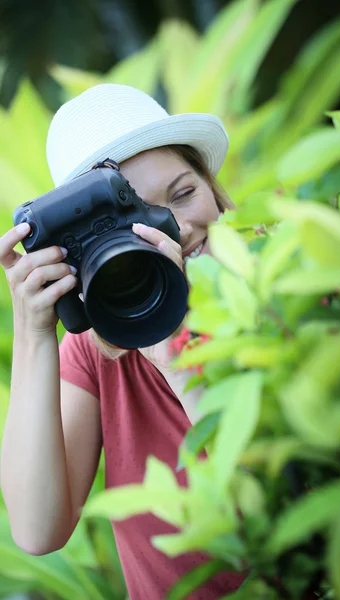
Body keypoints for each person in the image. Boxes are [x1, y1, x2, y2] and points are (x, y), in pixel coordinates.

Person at [0, 84, 244, 599]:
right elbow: (38, 529)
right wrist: (35, 333)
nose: (174, 230)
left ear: (211, 184)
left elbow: (272, 498)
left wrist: (176, 350)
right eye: (135, 221)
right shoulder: (96, 353)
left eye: (183, 194)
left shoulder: (292, 291)